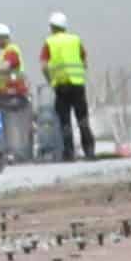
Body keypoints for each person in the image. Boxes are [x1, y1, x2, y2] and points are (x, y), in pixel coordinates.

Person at [40, 11, 94, 161]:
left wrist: (50, 80)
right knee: (82, 119)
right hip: (77, 85)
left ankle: (69, 154)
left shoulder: (49, 42)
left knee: (65, 121)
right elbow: (84, 62)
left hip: (61, 86)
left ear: (52, 27)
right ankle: (89, 151)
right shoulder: (75, 40)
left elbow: (44, 66)